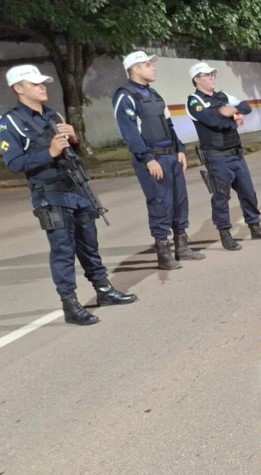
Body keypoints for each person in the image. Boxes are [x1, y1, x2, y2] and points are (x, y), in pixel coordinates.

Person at [1, 65, 137, 325]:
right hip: (50, 196)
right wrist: (49, 152)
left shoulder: (52, 115)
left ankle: (103, 290)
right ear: (18, 88)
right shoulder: (10, 123)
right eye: (35, 83)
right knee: (63, 251)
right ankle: (70, 304)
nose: (43, 87)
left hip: (76, 189)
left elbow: (69, 154)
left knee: (89, 244)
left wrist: (74, 140)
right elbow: (14, 163)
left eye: (43, 83)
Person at [113, 51, 204, 270]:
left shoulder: (154, 94)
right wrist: (147, 159)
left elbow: (169, 125)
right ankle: (163, 253)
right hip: (152, 158)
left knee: (179, 201)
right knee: (160, 204)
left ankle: (182, 247)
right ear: (135, 68)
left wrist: (180, 149)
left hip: (171, 156)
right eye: (147, 64)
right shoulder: (125, 95)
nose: (153, 68)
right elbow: (130, 132)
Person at [185, 61, 261, 251]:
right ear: (197, 79)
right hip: (216, 157)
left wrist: (232, 111)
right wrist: (229, 117)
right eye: (207, 75)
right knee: (221, 197)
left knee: (248, 193)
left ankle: (255, 226)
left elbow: (246, 106)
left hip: (236, 153)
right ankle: (225, 233)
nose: (212, 78)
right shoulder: (194, 101)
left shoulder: (223, 96)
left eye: (212, 74)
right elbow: (211, 120)